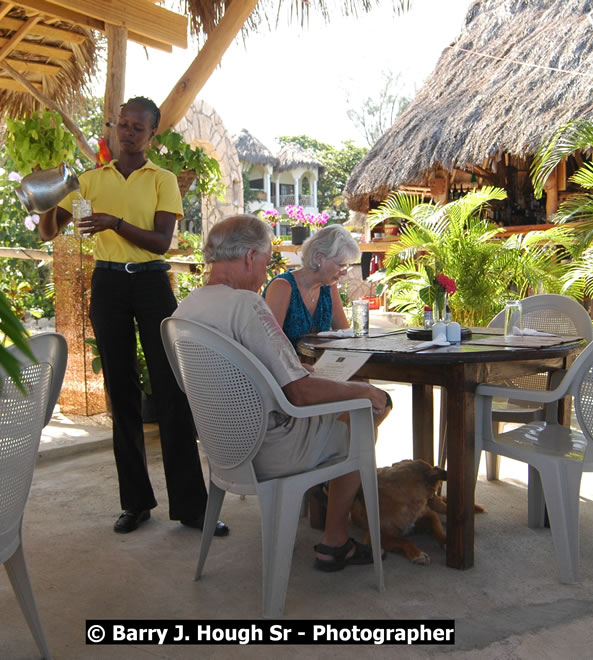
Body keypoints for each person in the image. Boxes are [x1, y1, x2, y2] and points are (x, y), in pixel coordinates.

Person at [37, 96, 227, 537]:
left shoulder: (162, 179)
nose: (127, 133)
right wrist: (53, 192)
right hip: (107, 286)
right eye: (122, 125)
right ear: (114, 128)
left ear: (151, 135)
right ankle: (135, 503)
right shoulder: (89, 180)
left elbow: (161, 242)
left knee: (172, 391)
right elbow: (48, 231)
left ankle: (192, 507)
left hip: (151, 283)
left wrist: (114, 223)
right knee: (119, 393)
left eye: (137, 128)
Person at [174, 214, 391, 571]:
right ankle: (335, 541)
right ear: (249, 257)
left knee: (349, 402)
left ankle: (327, 497)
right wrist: (363, 391)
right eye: (265, 260)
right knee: (364, 414)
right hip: (272, 448)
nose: (264, 271)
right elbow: (301, 394)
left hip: (224, 448)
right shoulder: (247, 305)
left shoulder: (187, 308)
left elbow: (244, 371)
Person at [263, 224, 360, 348]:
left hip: (320, 364)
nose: (345, 272)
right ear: (319, 258)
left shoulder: (329, 288)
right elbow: (270, 345)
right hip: (286, 365)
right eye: (341, 265)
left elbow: (344, 334)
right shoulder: (282, 287)